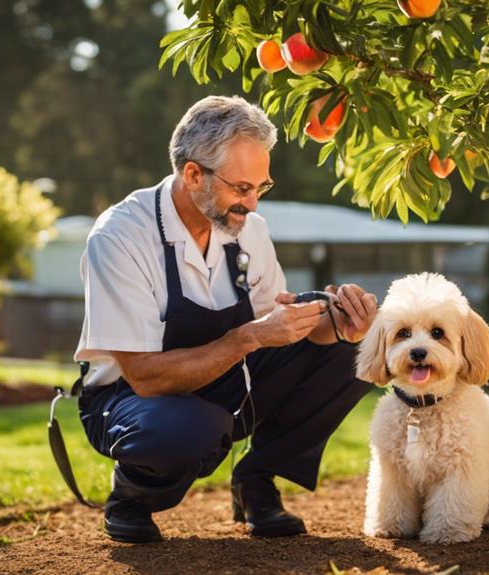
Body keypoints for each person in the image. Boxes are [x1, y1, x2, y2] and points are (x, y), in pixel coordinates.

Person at [74, 95, 377, 544]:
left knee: (357, 352)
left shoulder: (247, 230)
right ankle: (132, 495)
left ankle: (256, 477)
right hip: (129, 401)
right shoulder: (121, 236)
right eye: (241, 188)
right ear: (193, 174)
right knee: (188, 428)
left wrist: (336, 326)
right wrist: (245, 339)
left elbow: (276, 327)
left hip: (224, 381)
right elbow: (144, 376)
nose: (252, 205)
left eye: (261, 188)